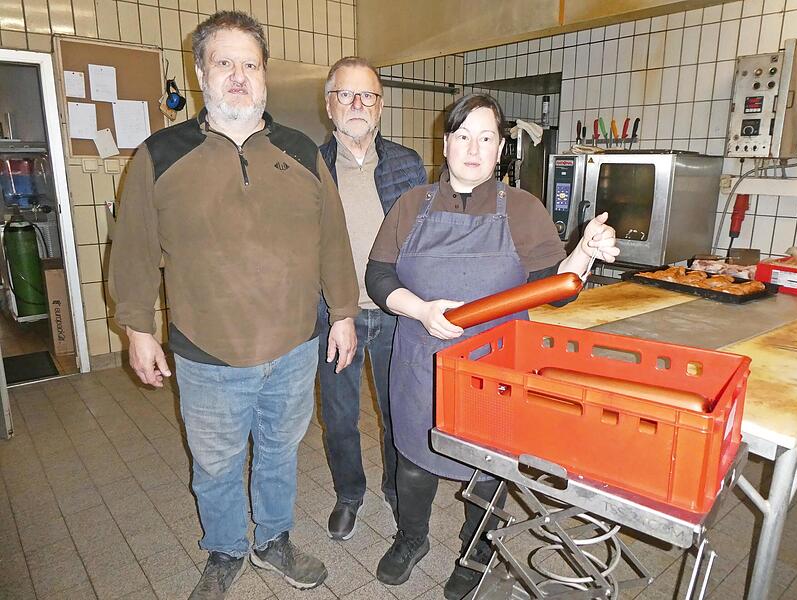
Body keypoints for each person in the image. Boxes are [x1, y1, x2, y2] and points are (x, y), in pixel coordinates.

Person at [108, 11, 359, 600]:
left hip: (293, 346)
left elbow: (333, 239)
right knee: (216, 464)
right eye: (225, 63)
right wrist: (137, 329)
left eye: (250, 64)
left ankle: (273, 541)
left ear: (264, 75)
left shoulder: (300, 151)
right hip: (207, 353)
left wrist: (344, 313)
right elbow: (134, 247)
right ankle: (224, 549)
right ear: (201, 74)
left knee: (279, 453)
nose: (239, 76)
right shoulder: (161, 154)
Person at [365, 93, 618, 598]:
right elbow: (378, 275)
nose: (473, 149)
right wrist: (421, 310)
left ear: (501, 148)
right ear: (445, 143)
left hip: (494, 369)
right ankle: (411, 537)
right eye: (463, 136)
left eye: (486, 138)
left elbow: (556, 288)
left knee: (488, 469)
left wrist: (584, 256)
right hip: (421, 362)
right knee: (413, 459)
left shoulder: (522, 209)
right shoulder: (412, 204)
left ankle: (477, 549)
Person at [317, 56, 427, 540]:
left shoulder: (407, 163)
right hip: (335, 314)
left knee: (396, 411)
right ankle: (349, 494)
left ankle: (396, 488)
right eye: (346, 94)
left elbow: (423, 239)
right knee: (339, 415)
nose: (357, 104)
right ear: (329, 105)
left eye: (368, 95)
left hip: (395, 312)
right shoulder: (309, 165)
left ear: (380, 106)